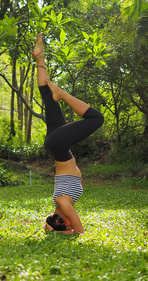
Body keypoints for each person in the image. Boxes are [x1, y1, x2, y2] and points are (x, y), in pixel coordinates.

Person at [32, 33, 104, 234]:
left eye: (66, 222)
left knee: (97, 119)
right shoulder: (60, 203)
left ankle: (62, 93)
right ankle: (40, 58)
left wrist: (63, 231)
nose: (70, 221)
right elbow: (53, 226)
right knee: (48, 98)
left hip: (59, 147)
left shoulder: (63, 204)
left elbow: (79, 231)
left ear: (61, 219)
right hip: (57, 146)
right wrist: (52, 228)